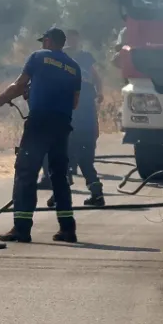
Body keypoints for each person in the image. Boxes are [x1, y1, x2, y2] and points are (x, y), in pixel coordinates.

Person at [0, 27, 82, 243]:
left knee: (26, 171)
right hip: (62, 124)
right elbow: (74, 103)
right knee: (59, 175)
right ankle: (68, 229)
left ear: (48, 41)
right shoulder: (74, 68)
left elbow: (19, 85)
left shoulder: (38, 57)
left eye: (43, 41)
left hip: (39, 123)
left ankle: (21, 227)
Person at [43, 29, 105, 207]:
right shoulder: (83, 88)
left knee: (63, 159)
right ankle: (96, 193)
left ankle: (60, 194)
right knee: (85, 161)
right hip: (85, 126)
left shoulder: (69, 78)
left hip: (73, 126)